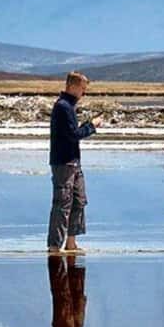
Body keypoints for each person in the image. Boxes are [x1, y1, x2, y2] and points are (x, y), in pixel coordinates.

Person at [48, 72, 103, 252]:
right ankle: (54, 246)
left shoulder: (68, 106)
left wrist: (88, 125)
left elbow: (72, 133)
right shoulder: (63, 107)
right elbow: (74, 135)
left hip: (73, 161)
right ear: (72, 86)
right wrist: (92, 126)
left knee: (78, 201)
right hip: (64, 163)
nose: (83, 93)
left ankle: (71, 242)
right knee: (62, 203)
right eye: (82, 89)